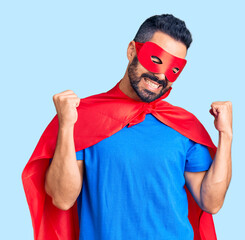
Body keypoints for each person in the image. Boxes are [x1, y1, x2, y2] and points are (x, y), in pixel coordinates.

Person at [22, 14, 232, 240]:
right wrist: (66, 126)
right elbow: (62, 198)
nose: (161, 75)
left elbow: (211, 202)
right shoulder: (83, 117)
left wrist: (226, 135)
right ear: (132, 50)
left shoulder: (184, 125)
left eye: (174, 69)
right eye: (156, 59)